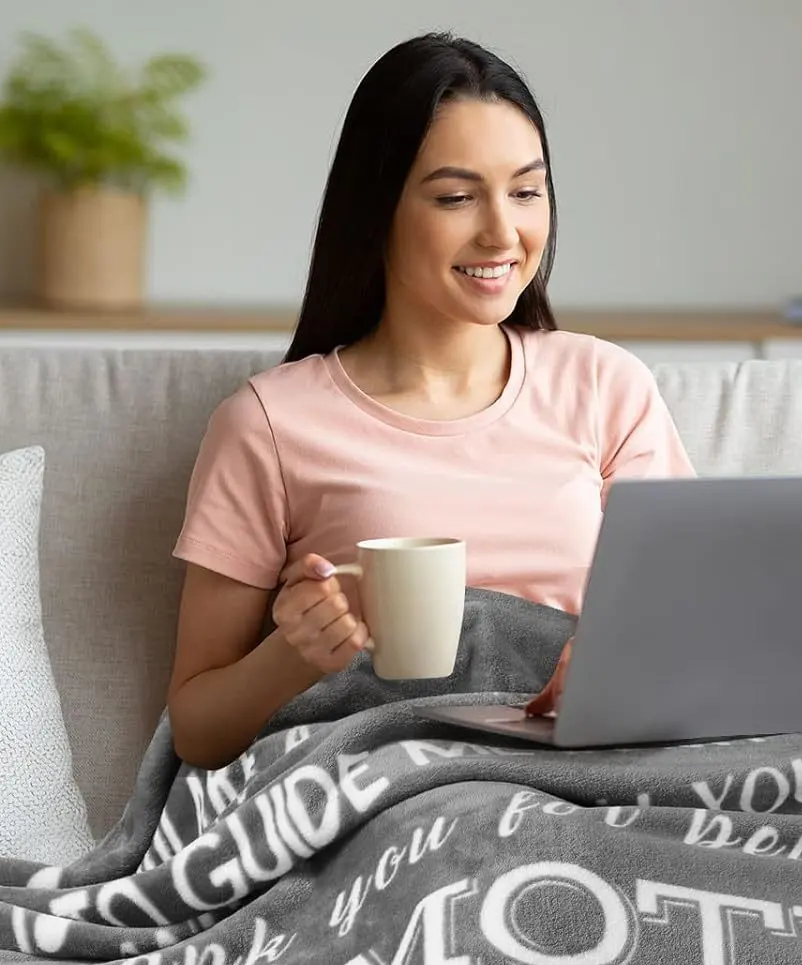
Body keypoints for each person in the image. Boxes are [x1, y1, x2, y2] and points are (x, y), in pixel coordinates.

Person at [166, 32, 694, 770]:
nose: (502, 232)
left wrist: (628, 675)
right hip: (393, 796)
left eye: (526, 190)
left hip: (592, 776)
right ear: (376, 210)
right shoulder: (268, 425)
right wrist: (295, 655)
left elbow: (694, 632)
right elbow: (195, 730)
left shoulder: (607, 387)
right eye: (455, 197)